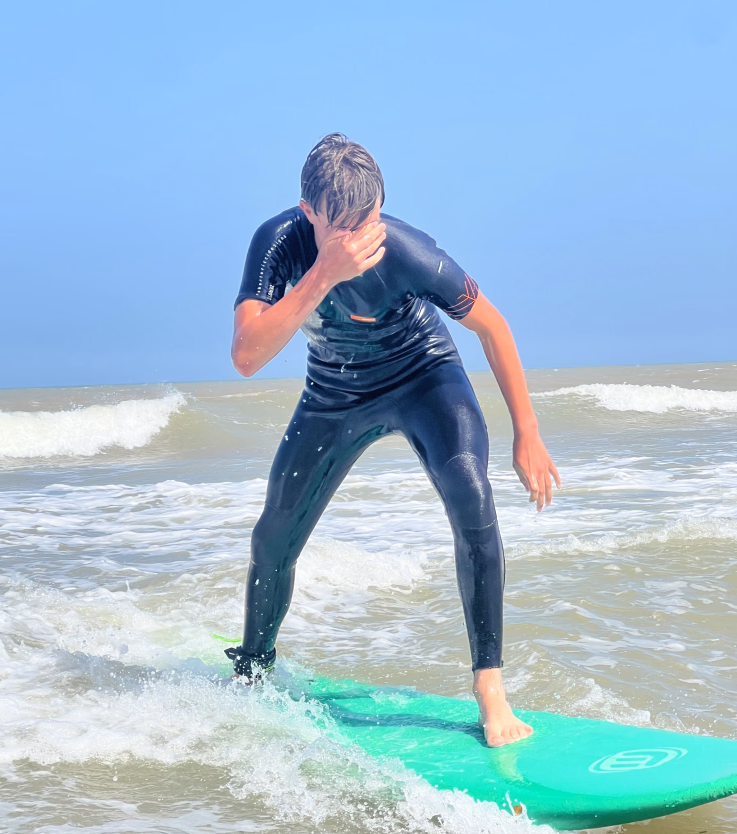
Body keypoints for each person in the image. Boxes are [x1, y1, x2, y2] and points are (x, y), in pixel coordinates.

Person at [226, 133, 559, 747]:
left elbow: (493, 326)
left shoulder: (407, 252)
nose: (362, 239)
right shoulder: (278, 243)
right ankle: (252, 669)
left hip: (422, 375)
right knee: (272, 538)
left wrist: (528, 432)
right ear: (308, 212)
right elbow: (246, 355)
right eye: (342, 228)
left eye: (369, 219)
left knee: (471, 493)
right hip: (335, 394)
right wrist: (322, 274)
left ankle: (490, 687)